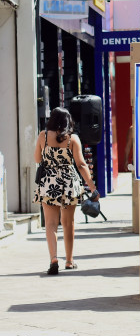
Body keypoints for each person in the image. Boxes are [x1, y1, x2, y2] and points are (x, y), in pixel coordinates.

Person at [34, 107, 98, 275]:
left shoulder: (43, 136)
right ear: (68, 121)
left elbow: (37, 159)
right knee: (68, 223)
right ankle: (69, 261)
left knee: (50, 224)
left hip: (48, 183)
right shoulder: (73, 139)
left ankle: (53, 258)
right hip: (69, 183)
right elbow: (81, 164)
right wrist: (92, 187)